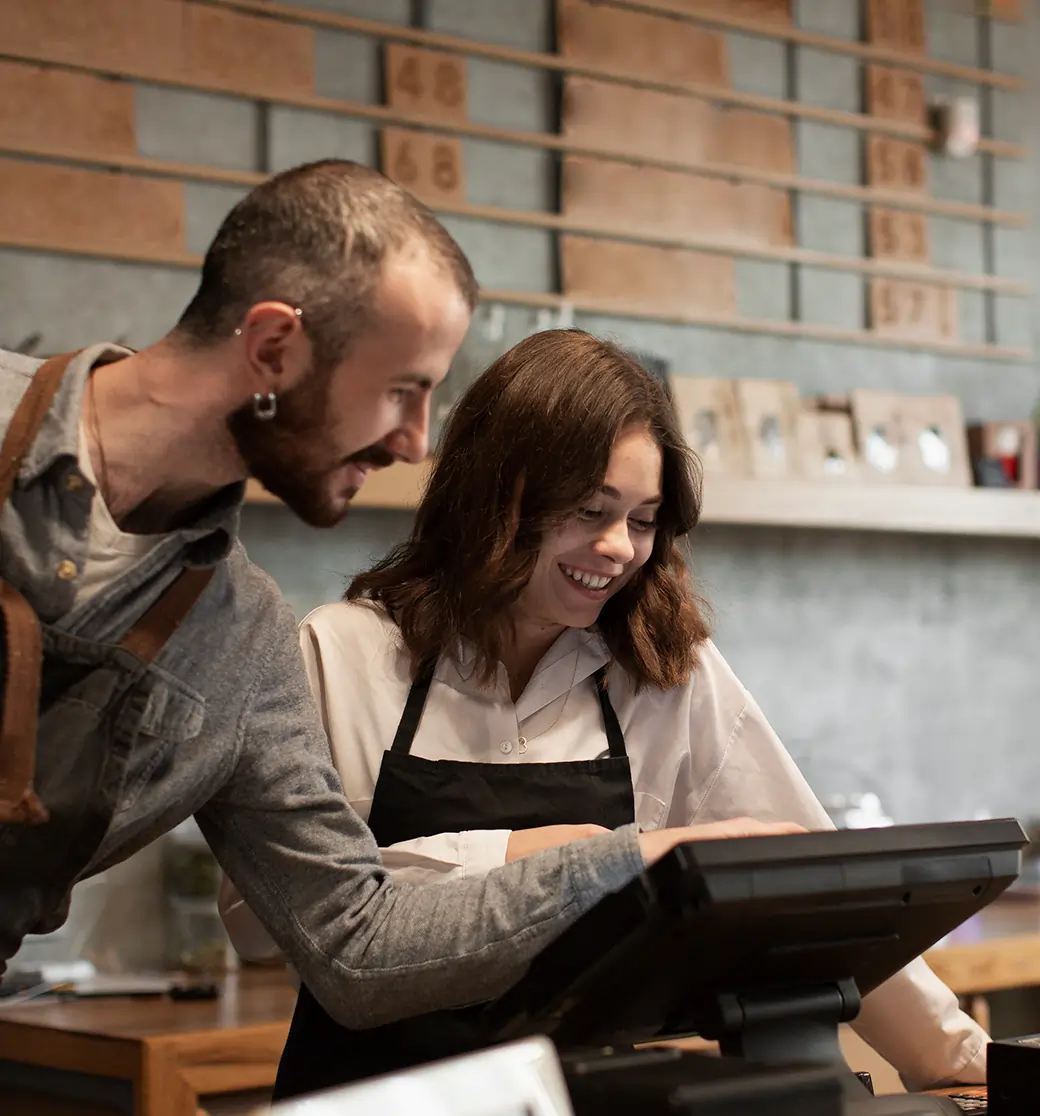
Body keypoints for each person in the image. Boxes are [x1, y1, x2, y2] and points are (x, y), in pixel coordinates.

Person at [0, 159, 793, 1027]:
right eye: (402, 392)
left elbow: (352, 941)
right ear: (272, 349)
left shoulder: (240, 639)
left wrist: (623, 863)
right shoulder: (324, 645)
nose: (416, 445)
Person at [222, 328, 988, 1099]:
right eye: (591, 510)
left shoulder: (665, 671)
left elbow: (815, 891)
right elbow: (259, 921)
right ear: (496, 494)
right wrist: (557, 855)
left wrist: (961, 1058)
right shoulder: (342, 653)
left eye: (644, 519)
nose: (619, 546)